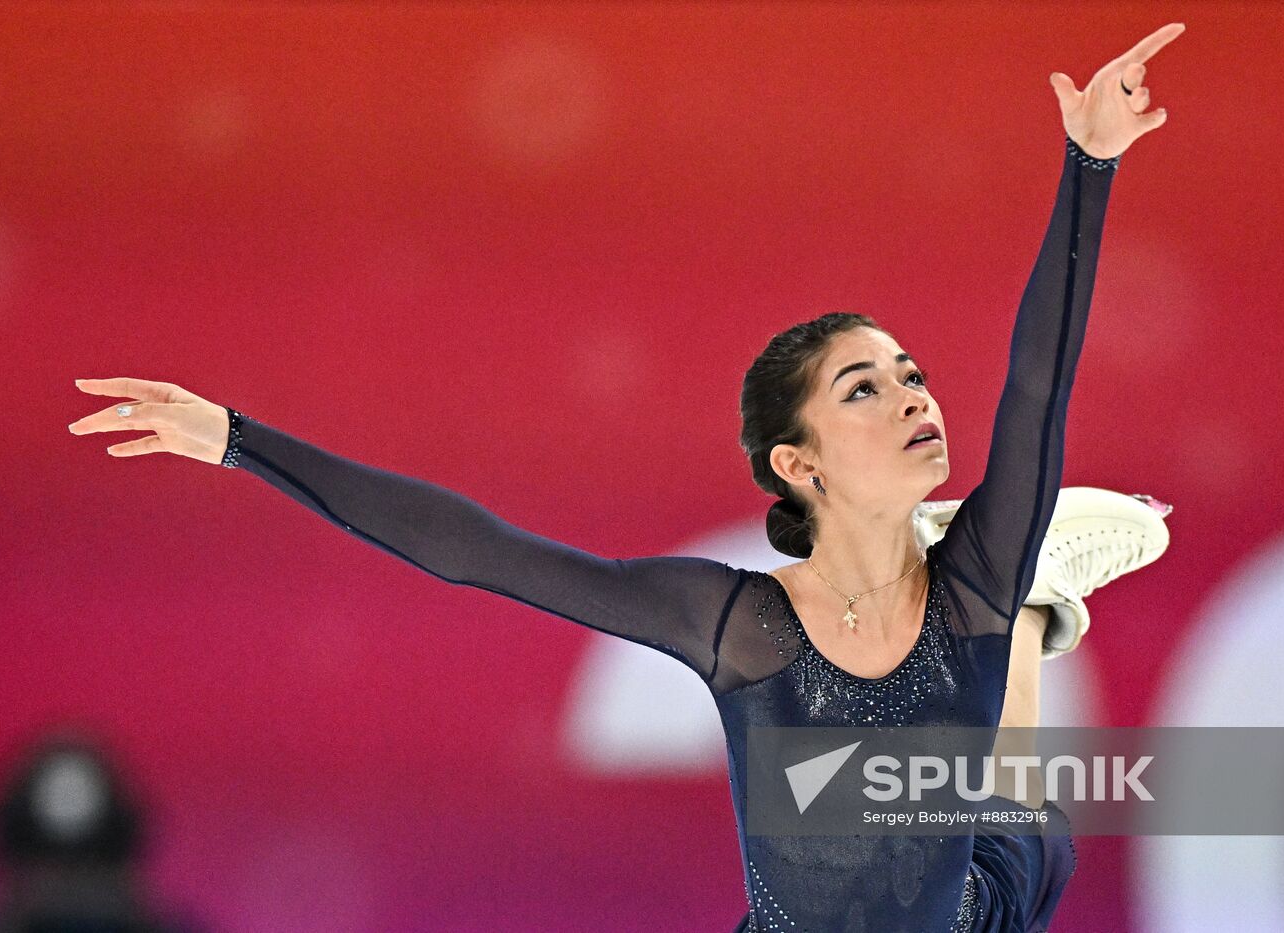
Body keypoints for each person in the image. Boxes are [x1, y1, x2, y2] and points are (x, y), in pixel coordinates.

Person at [67, 22, 1184, 931]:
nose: (912, 399)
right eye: (863, 389)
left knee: (1018, 786)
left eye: (910, 376)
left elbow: (1037, 381)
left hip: (967, 907)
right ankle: (1027, 608)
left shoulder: (965, 572)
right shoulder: (735, 623)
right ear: (795, 466)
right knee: (988, 662)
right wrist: (238, 440)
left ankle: (1033, 606)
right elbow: (479, 554)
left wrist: (1089, 161)